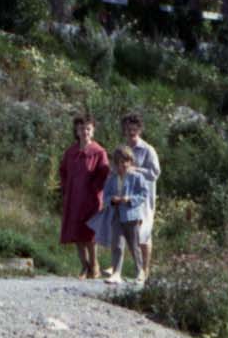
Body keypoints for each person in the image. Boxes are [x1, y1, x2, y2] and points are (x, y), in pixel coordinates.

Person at [106, 107, 160, 286]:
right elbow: (115, 168)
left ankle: (145, 270)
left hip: (143, 198)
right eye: (127, 130)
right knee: (123, 234)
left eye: (133, 130)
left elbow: (155, 172)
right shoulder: (123, 148)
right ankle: (120, 269)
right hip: (123, 199)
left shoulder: (148, 150)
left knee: (143, 235)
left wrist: (136, 170)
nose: (130, 133)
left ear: (139, 129)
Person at [57, 112, 109, 280]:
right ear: (76, 131)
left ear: (92, 131)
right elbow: (63, 171)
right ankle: (84, 266)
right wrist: (66, 188)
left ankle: (95, 265)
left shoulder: (99, 152)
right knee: (76, 233)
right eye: (81, 129)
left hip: (91, 198)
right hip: (73, 197)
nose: (84, 132)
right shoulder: (70, 152)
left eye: (87, 129)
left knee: (90, 234)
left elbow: (104, 173)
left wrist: (95, 189)